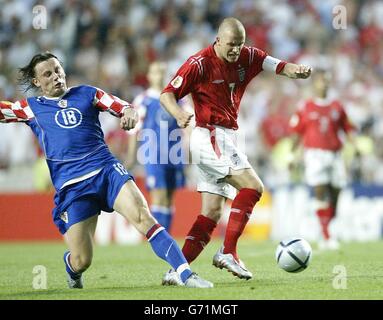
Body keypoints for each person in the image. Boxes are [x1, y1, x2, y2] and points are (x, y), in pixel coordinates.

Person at [0, 52, 213, 288]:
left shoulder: (87, 93)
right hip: (73, 186)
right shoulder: (30, 108)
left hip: (106, 170)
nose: (56, 77)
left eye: (58, 70)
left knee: (144, 216)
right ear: (37, 82)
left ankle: (185, 274)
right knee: (82, 259)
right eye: (47, 74)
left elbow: (121, 105)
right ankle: (73, 270)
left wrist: (129, 112)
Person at [159, 17, 312, 284]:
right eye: (231, 44)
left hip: (226, 136)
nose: (235, 50)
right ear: (218, 40)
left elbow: (277, 66)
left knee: (211, 213)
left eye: (239, 44)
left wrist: (296, 70)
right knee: (253, 187)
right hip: (210, 135)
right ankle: (228, 251)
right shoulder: (199, 63)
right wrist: (178, 113)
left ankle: (177, 271)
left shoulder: (248, 56)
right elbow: (167, 94)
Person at [288, 68, 356, 250]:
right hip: (314, 154)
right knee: (320, 190)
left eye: (326, 80)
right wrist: (291, 156)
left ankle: (326, 227)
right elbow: (296, 134)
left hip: (335, 155)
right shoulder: (305, 106)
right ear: (314, 84)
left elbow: (347, 128)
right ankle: (326, 235)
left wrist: (354, 144)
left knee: (336, 194)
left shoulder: (337, 106)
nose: (324, 84)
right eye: (320, 81)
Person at [126, 62, 186, 232]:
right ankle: (159, 239)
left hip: (175, 154)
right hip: (153, 154)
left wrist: (189, 150)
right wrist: (131, 155)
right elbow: (134, 130)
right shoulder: (143, 100)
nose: (159, 75)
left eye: (163, 72)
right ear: (149, 76)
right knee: (158, 196)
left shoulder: (177, 99)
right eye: (156, 72)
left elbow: (187, 124)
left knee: (169, 198)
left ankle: (166, 236)